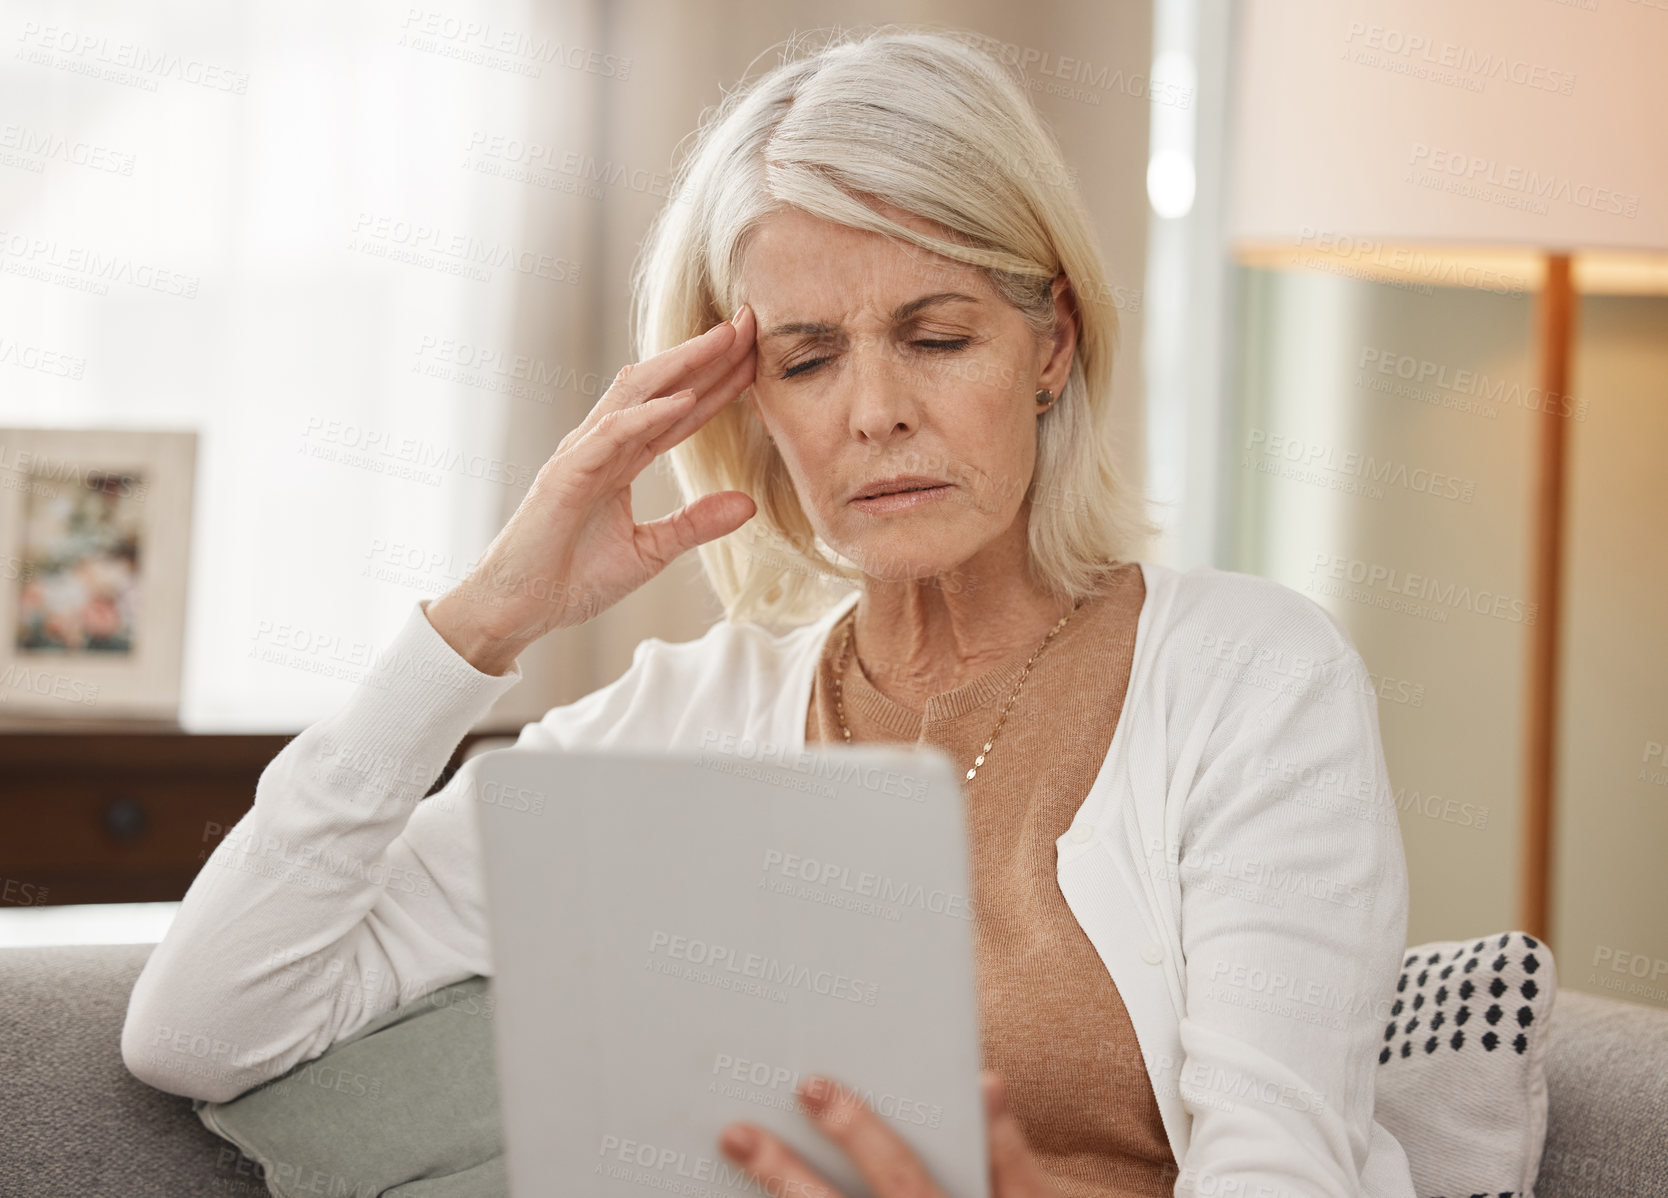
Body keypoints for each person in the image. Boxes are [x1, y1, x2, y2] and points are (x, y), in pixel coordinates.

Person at [123, 26, 1418, 1198]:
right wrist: (483, 621)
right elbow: (202, 1026)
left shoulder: (1253, 677)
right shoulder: (683, 719)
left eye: (938, 335)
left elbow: (1285, 1170)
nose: (872, 411)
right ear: (750, 405)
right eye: (807, 359)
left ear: (1052, 343)